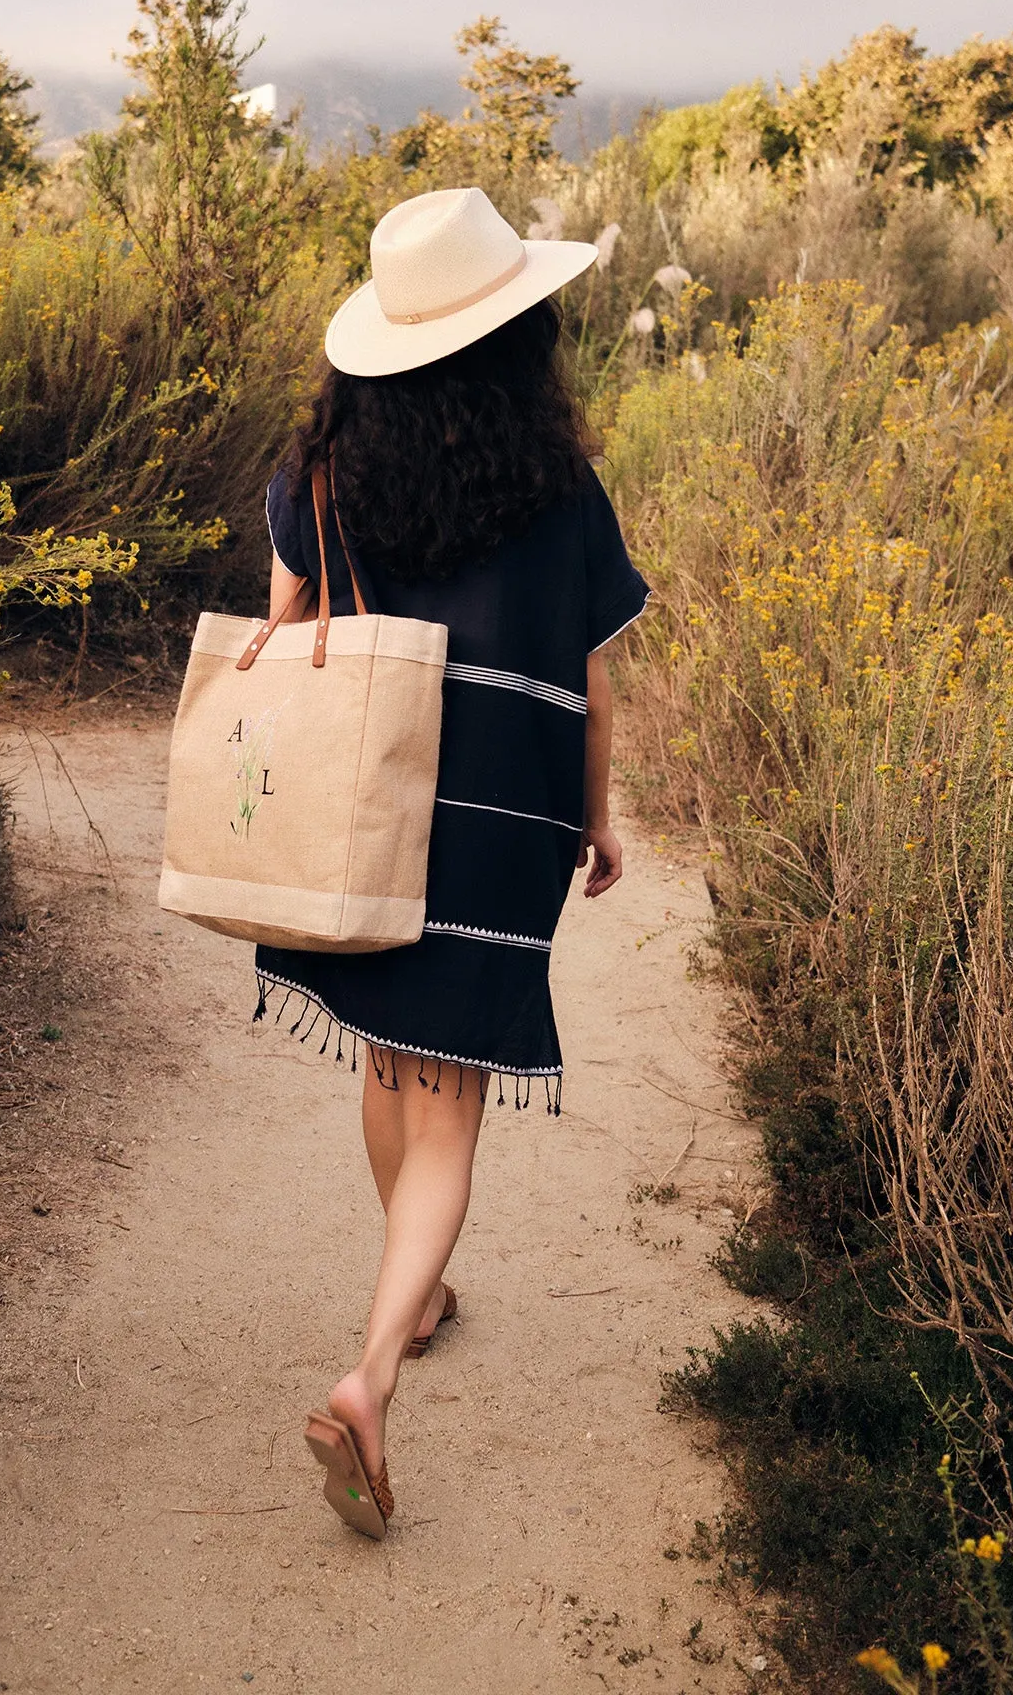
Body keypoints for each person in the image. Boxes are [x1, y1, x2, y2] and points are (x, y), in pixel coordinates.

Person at [256, 187, 650, 1540]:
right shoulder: (561, 491)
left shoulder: (318, 477)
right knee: (445, 1110)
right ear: (515, 333)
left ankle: (411, 1300)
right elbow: (591, 685)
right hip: (500, 825)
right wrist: (598, 822)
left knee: (387, 1051)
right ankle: (371, 1371)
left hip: (361, 810)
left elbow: (285, 641)